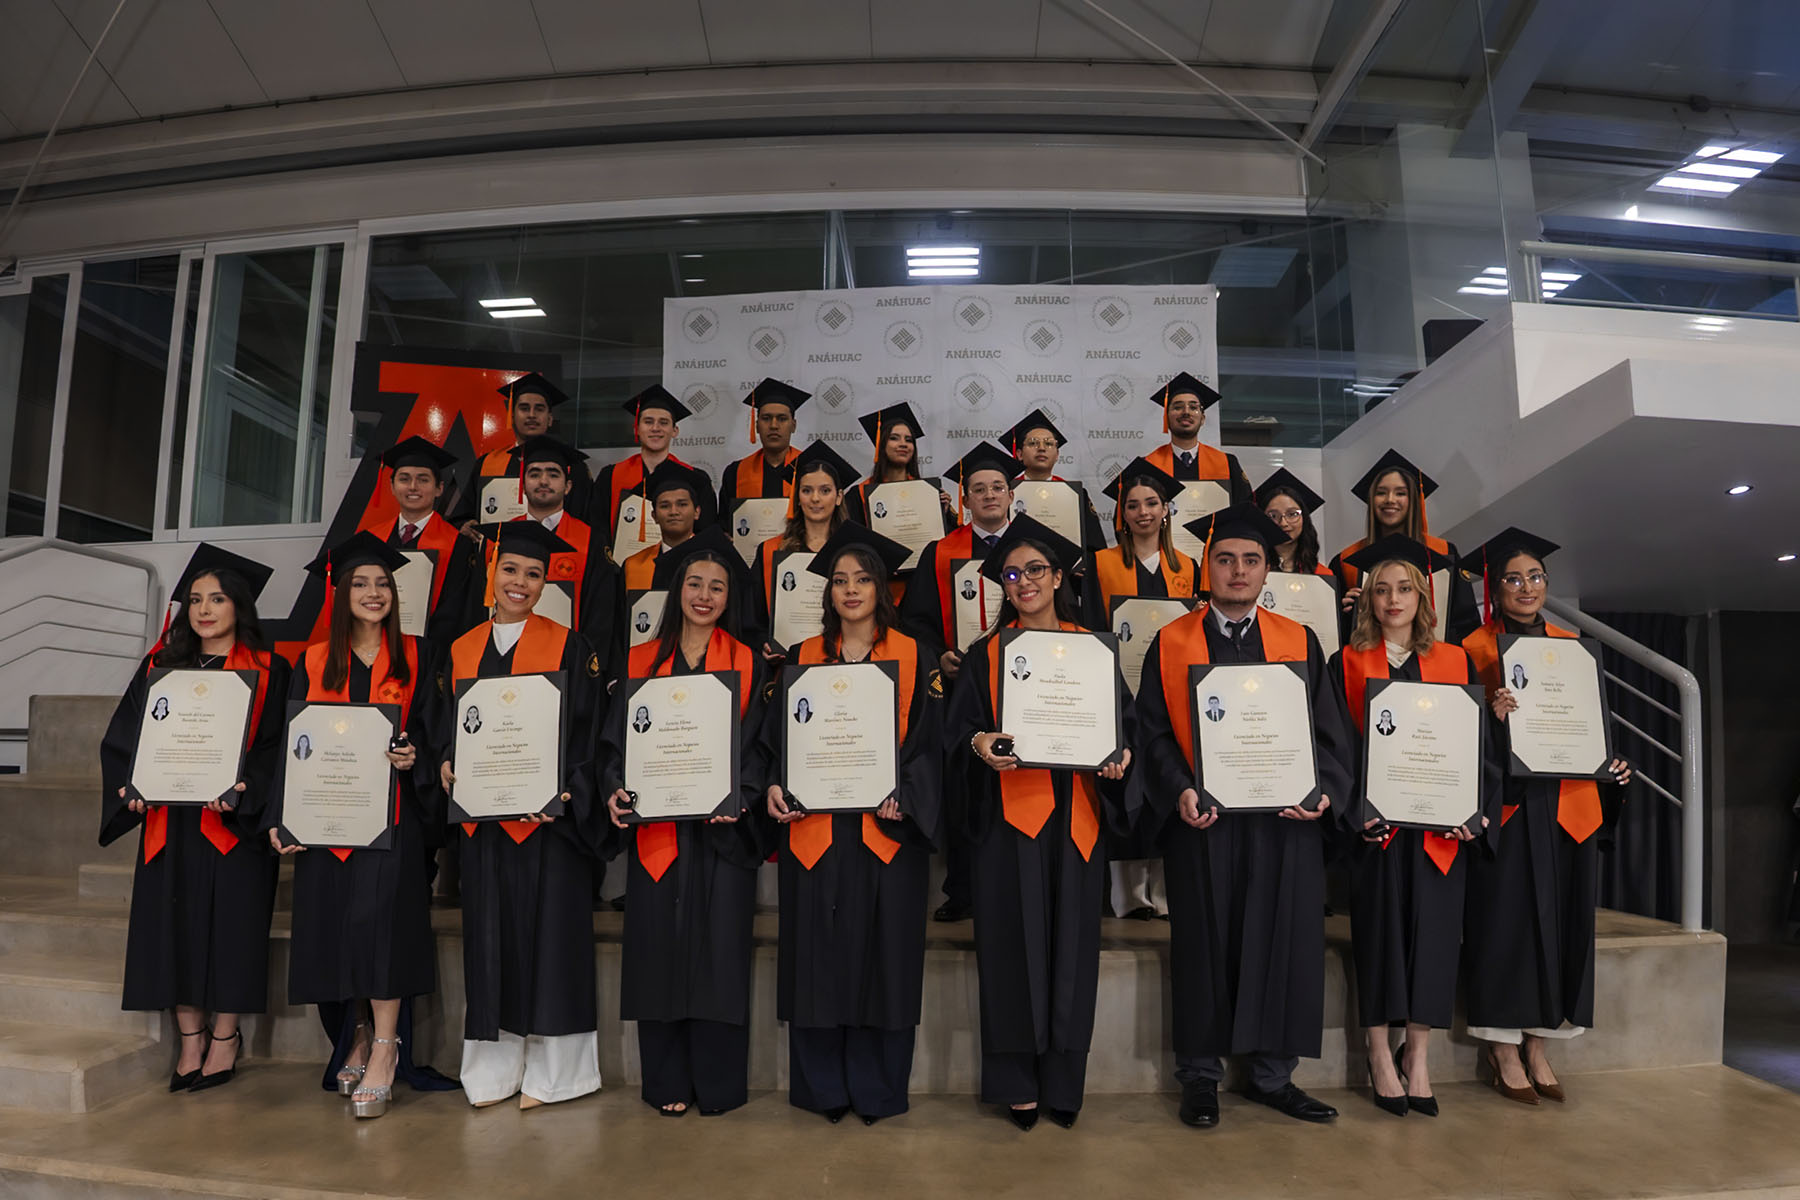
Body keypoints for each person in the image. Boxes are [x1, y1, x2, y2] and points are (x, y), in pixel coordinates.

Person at [1133, 504, 1357, 1130]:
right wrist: (1179, 789)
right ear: (1208, 567)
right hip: (1204, 823)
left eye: (1251, 560)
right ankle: (1200, 1077)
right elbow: (1152, 732)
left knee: (1284, 942)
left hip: (1284, 823)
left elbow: (1328, 733)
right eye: (1226, 559)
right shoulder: (1171, 642)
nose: (1238, 570)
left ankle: (1272, 1076)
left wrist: (1322, 793)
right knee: (1202, 945)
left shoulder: (1299, 640)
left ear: (1267, 571)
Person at [947, 516, 1135, 1130]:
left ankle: (1063, 1083)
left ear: (1058, 577)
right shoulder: (987, 655)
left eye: (1035, 570)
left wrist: (1121, 755)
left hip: (1078, 819)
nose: (1023, 581)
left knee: (1073, 956)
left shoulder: (1093, 649)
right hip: (1010, 822)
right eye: (1011, 574)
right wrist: (978, 743)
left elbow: (1123, 725)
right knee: (1010, 950)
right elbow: (959, 732)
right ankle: (1016, 1082)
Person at [764, 522, 942, 1124]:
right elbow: (774, 743)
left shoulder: (914, 654)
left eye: (862, 579)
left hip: (884, 832)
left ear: (881, 588)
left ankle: (877, 1089)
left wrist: (908, 795)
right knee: (816, 957)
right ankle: (822, 1088)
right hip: (815, 831)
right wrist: (775, 785)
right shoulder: (802, 657)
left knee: (885, 960)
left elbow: (931, 746)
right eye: (839, 580)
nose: (850, 589)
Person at [98, 544, 291, 1093]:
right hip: (172, 823)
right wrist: (132, 788)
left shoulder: (271, 671)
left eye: (218, 599)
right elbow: (126, 736)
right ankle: (190, 1039)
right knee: (173, 929)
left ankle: (226, 1037)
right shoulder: (160, 668)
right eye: (197, 600)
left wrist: (245, 788)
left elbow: (277, 747)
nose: (205, 609)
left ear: (240, 606)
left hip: (233, 825)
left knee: (234, 929)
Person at [268, 533, 446, 1119]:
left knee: (383, 932)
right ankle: (358, 1036)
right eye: (361, 583)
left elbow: (437, 732)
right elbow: (293, 745)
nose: (374, 593)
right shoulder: (314, 660)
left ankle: (387, 1049)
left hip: (393, 821)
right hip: (327, 822)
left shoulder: (420, 655)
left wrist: (416, 758)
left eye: (383, 584)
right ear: (341, 593)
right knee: (335, 933)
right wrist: (282, 816)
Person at [435, 520, 608, 1110]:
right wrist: (446, 762)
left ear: (544, 583)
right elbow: (448, 728)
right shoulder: (460, 649)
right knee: (490, 942)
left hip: (548, 824)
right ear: (492, 572)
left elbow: (587, 735)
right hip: (486, 824)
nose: (520, 582)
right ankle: (494, 1069)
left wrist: (566, 792)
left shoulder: (570, 646)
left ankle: (558, 1074)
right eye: (510, 569)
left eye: (534, 574)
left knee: (554, 942)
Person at [600, 528, 772, 1116]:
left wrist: (742, 795)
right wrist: (615, 789)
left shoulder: (746, 662)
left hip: (723, 834)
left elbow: (758, 746)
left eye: (716, 587)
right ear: (677, 592)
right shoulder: (639, 662)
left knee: (720, 955)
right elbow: (614, 745)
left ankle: (718, 1084)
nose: (704, 596)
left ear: (729, 597)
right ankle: (667, 1079)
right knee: (658, 952)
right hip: (659, 834)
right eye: (694, 584)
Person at [1459, 527, 1633, 1106]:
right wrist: (1492, 718)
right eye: (1513, 579)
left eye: (1535, 577)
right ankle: (1502, 1048)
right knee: (1504, 926)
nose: (1526, 587)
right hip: (1511, 807)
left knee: (1564, 924)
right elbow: (1457, 735)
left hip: (1569, 806)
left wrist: (1611, 766)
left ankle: (1539, 1043)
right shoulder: (1472, 650)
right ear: (1494, 590)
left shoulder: (1574, 648)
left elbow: (1590, 726)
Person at [1329, 535, 1500, 1118]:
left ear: (1422, 597)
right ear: (1367, 600)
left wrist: (1472, 812)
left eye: (1404, 588)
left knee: (1434, 940)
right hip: (1378, 829)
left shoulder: (1455, 661)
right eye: (1381, 590)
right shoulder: (1346, 663)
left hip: (1437, 832)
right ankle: (1380, 1053)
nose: (1393, 599)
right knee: (1378, 936)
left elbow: (1477, 748)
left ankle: (1418, 1056)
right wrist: (1356, 813)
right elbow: (1337, 750)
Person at [898, 440, 1025, 923]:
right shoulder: (939, 552)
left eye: (997, 487)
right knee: (963, 784)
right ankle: (963, 887)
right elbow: (916, 622)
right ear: (965, 499)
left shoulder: (1032, 548)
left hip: (1022, 683)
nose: (989, 495)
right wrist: (940, 658)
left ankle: (1018, 881)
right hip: (961, 688)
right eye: (979, 489)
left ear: (1011, 494)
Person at [1081, 457, 1197, 921]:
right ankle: (1128, 895)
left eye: (1152, 503)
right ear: (1121, 514)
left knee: (1165, 781)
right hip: (1120, 692)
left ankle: (1164, 892)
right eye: (1132, 505)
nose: (1143, 512)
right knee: (1125, 784)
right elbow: (1092, 629)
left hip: (1169, 695)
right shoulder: (1101, 564)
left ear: (1166, 509)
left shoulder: (1188, 567)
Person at [483, 435, 620, 652]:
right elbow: (478, 608)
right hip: (504, 656)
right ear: (522, 485)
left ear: (567, 486)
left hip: (568, 658)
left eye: (553, 474)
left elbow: (600, 614)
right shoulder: (498, 539)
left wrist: (583, 662)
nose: (543, 481)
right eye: (534, 474)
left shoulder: (591, 540)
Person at [1329, 449, 1477, 644]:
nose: (1390, 500)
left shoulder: (1443, 552)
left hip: (1433, 657)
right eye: (1381, 493)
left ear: (1414, 500)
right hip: (1369, 657)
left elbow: (1465, 622)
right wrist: (1347, 614)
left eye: (1400, 493)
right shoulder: (1346, 561)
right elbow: (1334, 634)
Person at [750, 440, 854, 659]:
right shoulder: (770, 550)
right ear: (797, 497)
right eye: (807, 490)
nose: (815, 498)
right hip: (788, 663)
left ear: (838, 497)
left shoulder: (853, 553)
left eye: (825, 490)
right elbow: (752, 619)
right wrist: (762, 644)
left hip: (842, 660)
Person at [374, 436, 482, 647]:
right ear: (392, 486)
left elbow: (459, 611)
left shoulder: (459, 545)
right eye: (404, 479)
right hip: (379, 646)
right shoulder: (373, 540)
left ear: (439, 488)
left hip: (433, 652)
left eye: (423, 480)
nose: (413, 487)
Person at [456, 372, 589, 532]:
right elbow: (462, 516)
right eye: (524, 408)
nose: (531, 415)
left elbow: (585, 520)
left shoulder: (573, 467)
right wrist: (465, 526)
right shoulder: (487, 464)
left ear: (550, 419)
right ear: (512, 416)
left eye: (539, 409)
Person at [589, 385, 703, 563]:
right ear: (636, 428)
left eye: (663, 422)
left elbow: (704, 530)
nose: (655, 428)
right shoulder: (610, 476)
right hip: (621, 571)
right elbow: (597, 528)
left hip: (682, 568)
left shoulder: (696, 478)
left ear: (675, 431)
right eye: (648, 422)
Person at [617, 459, 714, 653]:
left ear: (697, 512)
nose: (673, 511)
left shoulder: (716, 564)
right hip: (645, 662)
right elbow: (620, 630)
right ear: (653, 516)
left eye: (682, 504)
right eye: (664, 506)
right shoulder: (634, 566)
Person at [1001, 408, 1107, 559]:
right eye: (1033, 443)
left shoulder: (1075, 495)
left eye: (1049, 443)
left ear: (1057, 455)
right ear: (1019, 454)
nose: (1041, 448)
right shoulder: (1006, 494)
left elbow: (1094, 545)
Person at [843, 402, 955, 533]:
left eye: (909, 440)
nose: (903, 444)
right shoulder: (859, 494)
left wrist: (942, 515)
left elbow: (946, 538)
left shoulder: (929, 492)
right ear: (881, 445)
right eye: (894, 438)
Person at [1142, 372, 1253, 503]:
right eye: (1177, 407)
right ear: (1166, 418)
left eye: (1193, 407)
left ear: (1202, 419)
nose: (1186, 412)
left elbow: (1246, 509)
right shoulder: (1149, 465)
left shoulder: (1227, 463)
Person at [717, 378, 808, 515]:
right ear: (757, 426)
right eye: (766, 418)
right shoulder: (735, 473)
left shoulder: (809, 467)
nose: (773, 425)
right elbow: (725, 523)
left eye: (782, 419)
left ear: (793, 426)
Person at [1255, 468, 1335, 582]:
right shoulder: (1252, 572)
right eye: (1273, 516)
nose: (1283, 523)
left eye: (1292, 514)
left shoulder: (1322, 575)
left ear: (1304, 519)